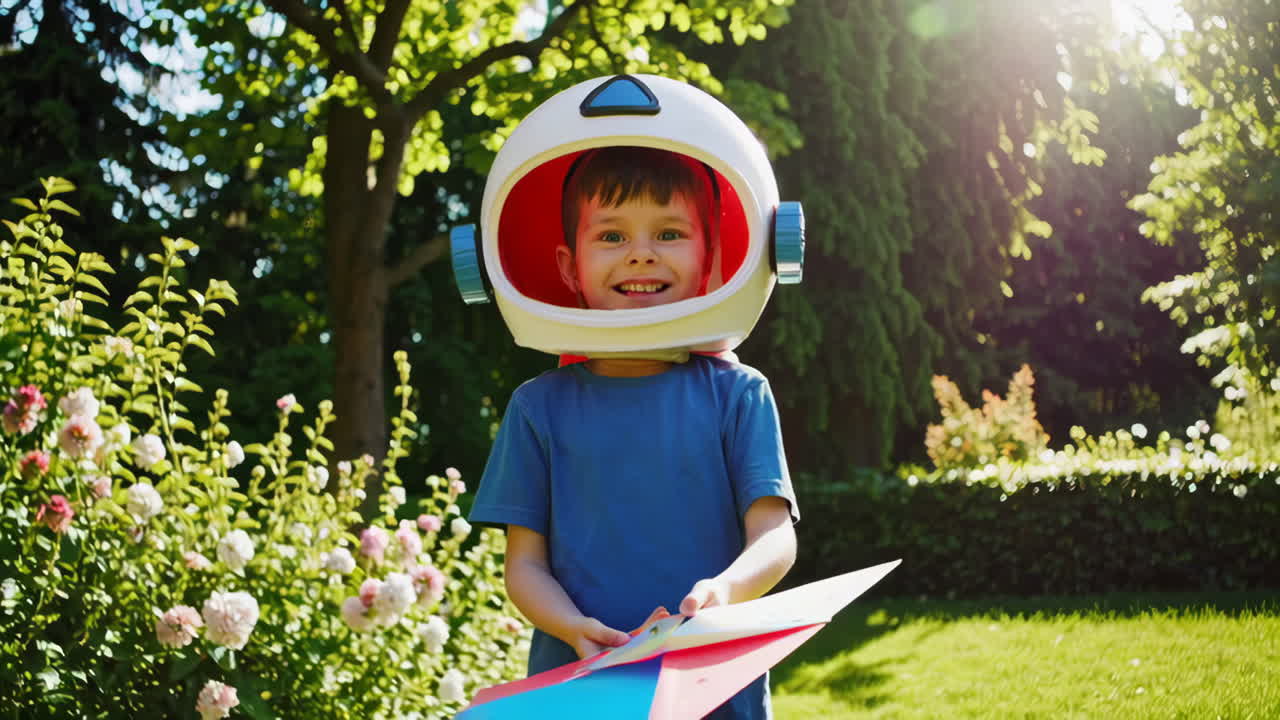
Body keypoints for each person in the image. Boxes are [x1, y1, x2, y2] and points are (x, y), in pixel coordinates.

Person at [469, 146, 799, 719]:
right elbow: (524, 566)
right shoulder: (537, 407)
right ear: (570, 266)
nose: (641, 255)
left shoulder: (739, 394)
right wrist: (572, 627)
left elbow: (774, 538)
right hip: (579, 688)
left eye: (669, 233)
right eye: (613, 237)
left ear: (709, 258)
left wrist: (724, 591)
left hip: (713, 686)